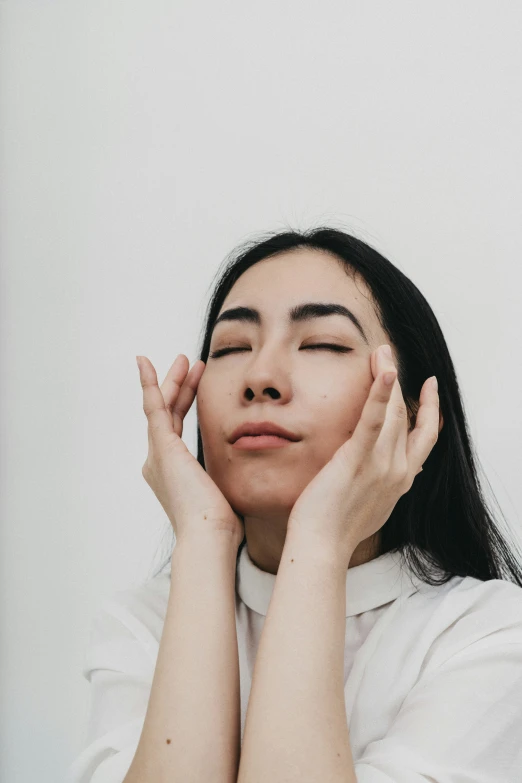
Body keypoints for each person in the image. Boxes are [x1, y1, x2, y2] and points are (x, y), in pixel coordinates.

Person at [69, 227, 522, 783]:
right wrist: (204, 535)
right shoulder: (142, 626)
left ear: (412, 414)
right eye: (232, 348)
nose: (260, 377)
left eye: (323, 344)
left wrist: (318, 542)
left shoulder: (490, 634)